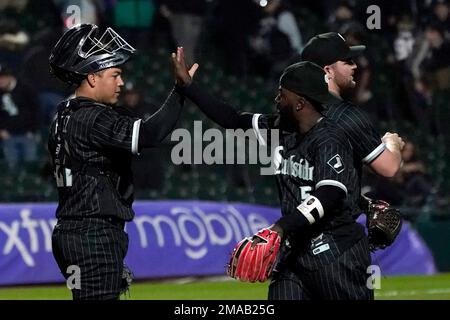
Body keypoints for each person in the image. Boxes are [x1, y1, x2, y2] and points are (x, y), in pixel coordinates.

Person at [173, 48, 373, 299]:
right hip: (296, 254)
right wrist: (189, 87)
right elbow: (233, 119)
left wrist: (280, 227)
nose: (276, 99)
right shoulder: (280, 128)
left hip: (337, 253)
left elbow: (329, 193)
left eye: (282, 94)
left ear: (300, 103)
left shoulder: (330, 139)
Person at [47, 24, 196, 300]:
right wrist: (180, 89)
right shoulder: (93, 117)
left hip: (73, 230)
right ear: (92, 78)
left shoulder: (64, 113)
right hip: (92, 233)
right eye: (115, 74)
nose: (121, 82)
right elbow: (150, 134)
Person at [300, 32, 405, 216]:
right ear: (328, 71)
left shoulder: (294, 111)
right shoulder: (347, 115)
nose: (355, 66)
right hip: (336, 232)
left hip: (300, 226)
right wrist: (392, 143)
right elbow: (389, 167)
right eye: (347, 61)